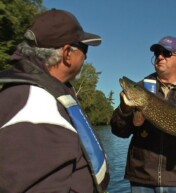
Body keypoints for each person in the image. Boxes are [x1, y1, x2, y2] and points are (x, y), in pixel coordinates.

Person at [0, 9, 109, 193]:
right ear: (67, 53)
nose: (86, 57)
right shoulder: (36, 108)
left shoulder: (41, 94)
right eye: (84, 49)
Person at [110, 36, 176, 193]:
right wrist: (124, 110)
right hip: (143, 179)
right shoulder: (141, 89)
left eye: (167, 53)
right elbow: (119, 131)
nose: (160, 56)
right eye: (157, 52)